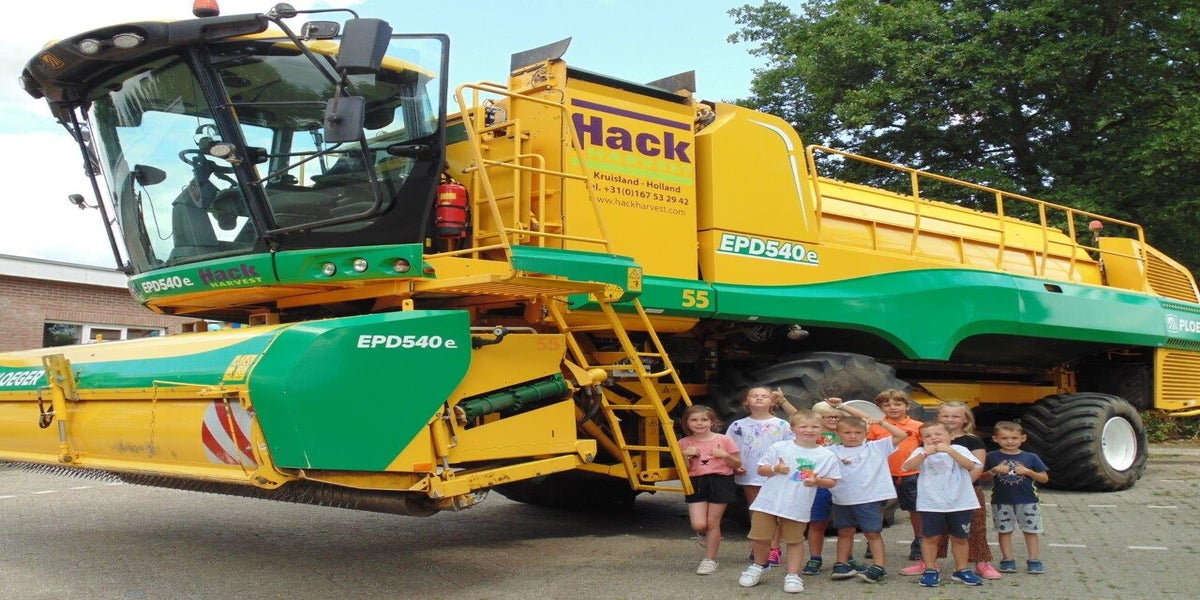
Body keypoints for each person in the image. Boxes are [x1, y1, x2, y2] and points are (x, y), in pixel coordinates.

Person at [738, 410, 842, 594]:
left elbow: (832, 481)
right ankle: (759, 566)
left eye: (815, 427)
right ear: (793, 428)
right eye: (803, 426)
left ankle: (793, 574)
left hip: (797, 505)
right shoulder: (780, 447)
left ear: (821, 429)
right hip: (768, 503)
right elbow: (761, 470)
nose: (809, 430)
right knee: (760, 537)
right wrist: (775, 468)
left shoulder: (826, 455)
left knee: (794, 541)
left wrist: (817, 481)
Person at [825, 399, 907, 583]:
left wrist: (881, 422)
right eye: (847, 433)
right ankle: (842, 563)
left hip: (869, 498)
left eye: (858, 432)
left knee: (872, 533)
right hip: (842, 499)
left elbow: (901, 435)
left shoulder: (876, 447)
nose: (853, 436)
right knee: (844, 532)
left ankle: (879, 566)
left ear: (865, 433)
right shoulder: (831, 451)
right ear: (838, 434)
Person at [901, 422, 985, 587]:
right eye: (927, 436)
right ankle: (930, 569)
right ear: (922, 439)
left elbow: (970, 465)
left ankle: (961, 569)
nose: (933, 438)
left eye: (938, 434)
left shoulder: (959, 449)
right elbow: (907, 467)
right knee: (930, 537)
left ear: (951, 436)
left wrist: (950, 451)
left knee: (960, 537)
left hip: (960, 503)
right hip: (931, 503)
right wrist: (925, 453)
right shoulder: (920, 452)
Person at [727, 386, 797, 567]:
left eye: (764, 396)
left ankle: (774, 548)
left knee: (774, 511)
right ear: (746, 401)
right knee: (756, 510)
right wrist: (735, 465)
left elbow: (793, 446)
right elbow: (731, 448)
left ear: (772, 402)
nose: (759, 398)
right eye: (754, 396)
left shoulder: (782, 425)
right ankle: (758, 545)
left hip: (776, 473)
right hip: (750, 473)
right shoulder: (737, 425)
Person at [934, 400, 1001, 580]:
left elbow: (977, 467)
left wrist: (960, 487)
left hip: (969, 490)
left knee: (975, 527)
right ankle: (929, 562)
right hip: (937, 492)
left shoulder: (973, 440)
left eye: (955, 416)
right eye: (945, 415)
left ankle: (981, 562)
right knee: (935, 528)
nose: (950, 419)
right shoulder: (932, 438)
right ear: (938, 417)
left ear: (965, 419)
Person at [865, 389, 926, 575]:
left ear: (907, 406)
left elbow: (925, 447)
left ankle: (919, 541)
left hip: (910, 474)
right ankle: (872, 540)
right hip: (882, 474)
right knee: (877, 508)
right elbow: (868, 449)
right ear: (880, 408)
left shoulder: (918, 426)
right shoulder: (874, 426)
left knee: (915, 509)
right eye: (887, 405)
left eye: (897, 404)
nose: (892, 408)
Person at [678, 404, 742, 576]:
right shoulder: (683, 443)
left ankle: (710, 560)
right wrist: (685, 456)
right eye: (694, 420)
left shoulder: (724, 440)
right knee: (699, 524)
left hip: (721, 481)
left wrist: (725, 455)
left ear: (712, 422)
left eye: (704, 420)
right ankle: (704, 534)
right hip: (696, 482)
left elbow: (737, 463)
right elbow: (683, 470)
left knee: (713, 522)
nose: (699, 423)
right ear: (687, 423)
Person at [984, 421, 1050, 574]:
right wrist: (994, 470)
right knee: (1004, 531)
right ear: (995, 439)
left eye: (1014, 438)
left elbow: (1044, 478)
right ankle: (1008, 559)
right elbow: (982, 478)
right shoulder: (991, 456)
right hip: (1001, 501)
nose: (1010, 441)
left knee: (1031, 531)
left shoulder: (1031, 457)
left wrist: (1028, 472)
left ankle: (1034, 560)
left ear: (1023, 438)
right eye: (1004, 438)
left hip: (1028, 501)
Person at [799, 399, 843, 575]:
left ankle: (846, 559)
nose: (833, 419)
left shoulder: (849, 433)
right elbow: (797, 417)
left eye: (837, 416)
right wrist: (783, 401)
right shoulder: (811, 437)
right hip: (820, 484)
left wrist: (843, 406)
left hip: (845, 485)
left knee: (846, 525)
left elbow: (869, 419)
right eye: (828, 417)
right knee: (817, 523)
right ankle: (815, 558)